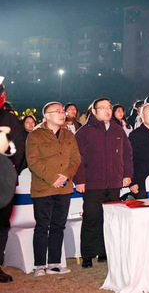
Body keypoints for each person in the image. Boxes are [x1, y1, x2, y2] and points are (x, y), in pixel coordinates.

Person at [74, 97, 133, 268]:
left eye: (109, 107)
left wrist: (127, 174)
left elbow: (127, 154)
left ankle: (105, 252)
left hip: (114, 183)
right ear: (93, 111)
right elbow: (76, 158)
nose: (107, 111)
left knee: (110, 220)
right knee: (91, 218)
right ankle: (87, 255)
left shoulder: (117, 129)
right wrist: (79, 180)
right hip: (92, 183)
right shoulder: (85, 131)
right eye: (102, 108)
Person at [26, 102, 81, 276]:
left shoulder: (68, 134)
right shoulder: (35, 135)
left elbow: (76, 159)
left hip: (64, 188)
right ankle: (39, 265)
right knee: (42, 226)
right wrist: (52, 178)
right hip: (43, 188)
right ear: (47, 115)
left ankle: (54, 263)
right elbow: (33, 161)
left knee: (58, 225)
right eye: (57, 111)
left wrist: (65, 176)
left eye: (63, 111)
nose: (62, 114)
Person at [0, 81, 26, 282]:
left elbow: (18, 148)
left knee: (1, 225)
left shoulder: (9, 118)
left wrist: (9, 171)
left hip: (3, 182)